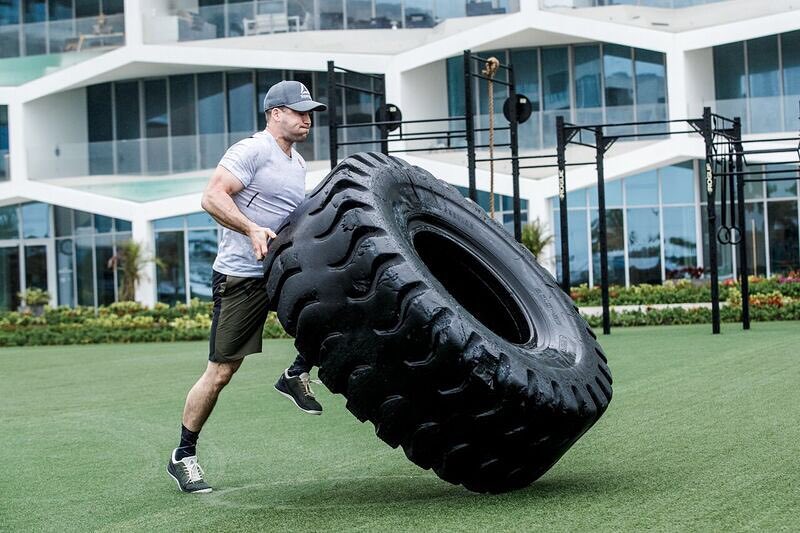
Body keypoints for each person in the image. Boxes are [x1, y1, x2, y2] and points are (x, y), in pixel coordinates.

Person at [167, 81, 327, 494]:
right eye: (299, 111)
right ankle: (183, 455)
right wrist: (251, 227)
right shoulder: (251, 150)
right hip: (241, 277)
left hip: (280, 269)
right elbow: (212, 196)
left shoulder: (297, 163)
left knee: (333, 314)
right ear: (275, 113)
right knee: (221, 372)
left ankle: (295, 374)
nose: (307, 118)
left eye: (309, 112)